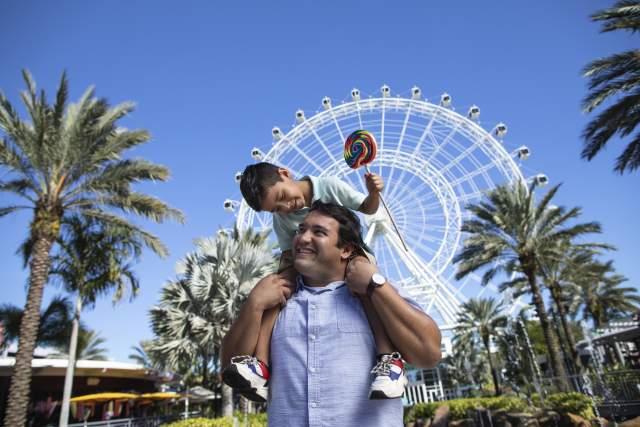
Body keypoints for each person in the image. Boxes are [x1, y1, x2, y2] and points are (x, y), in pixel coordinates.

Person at [221, 201, 441, 426]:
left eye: (319, 232)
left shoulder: (378, 294)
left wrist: (377, 286)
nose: (303, 238)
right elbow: (230, 369)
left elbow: (429, 355)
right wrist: (254, 304)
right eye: (301, 230)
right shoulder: (272, 299)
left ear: (346, 249)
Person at [223, 162, 404, 402]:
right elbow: (291, 253)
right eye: (276, 208)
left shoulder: (328, 186)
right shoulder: (282, 219)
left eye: (283, 197)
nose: (286, 207)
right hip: (305, 262)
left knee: (365, 285)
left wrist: (373, 192)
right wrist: (282, 281)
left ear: (285, 174)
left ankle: (389, 360)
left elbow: (368, 209)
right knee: (277, 291)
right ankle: (260, 366)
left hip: (351, 252)